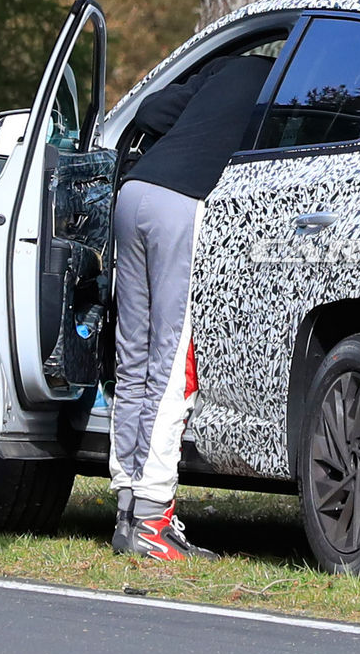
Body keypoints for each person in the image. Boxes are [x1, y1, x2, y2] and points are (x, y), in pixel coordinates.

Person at [108, 49, 274, 561]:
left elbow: (151, 112)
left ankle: (127, 506)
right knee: (173, 363)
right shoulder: (290, 82)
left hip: (133, 195)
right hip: (183, 204)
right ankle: (153, 519)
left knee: (131, 356)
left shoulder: (226, 68)